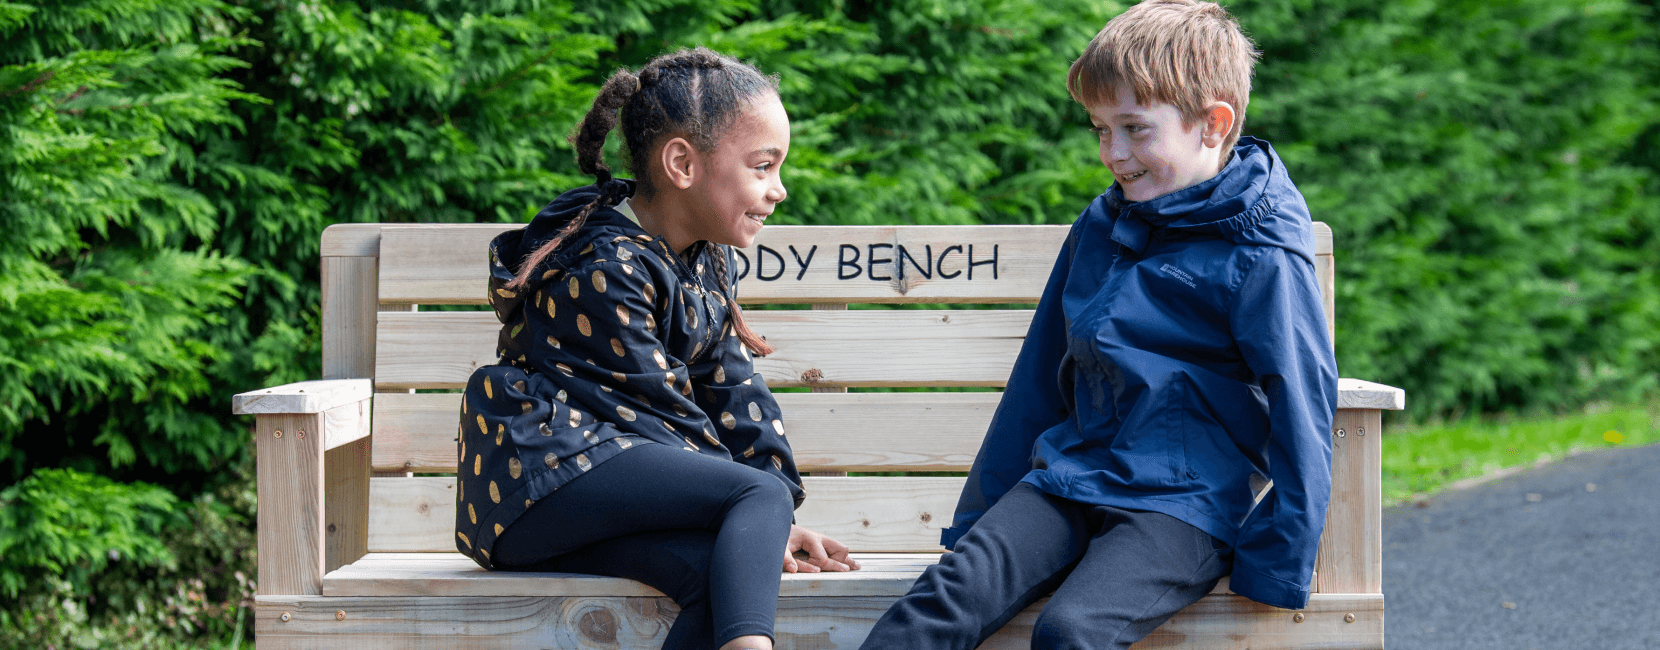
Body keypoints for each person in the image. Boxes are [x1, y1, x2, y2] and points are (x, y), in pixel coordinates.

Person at [857, 1, 1339, 648]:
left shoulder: (1260, 247)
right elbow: (1038, 376)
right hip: (1070, 477)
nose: (1114, 153)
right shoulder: (1104, 222)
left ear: (1213, 125)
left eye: (1135, 129)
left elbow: (1302, 398)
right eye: (1100, 129)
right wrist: (979, 523)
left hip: (1182, 502)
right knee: (946, 598)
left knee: (1071, 631)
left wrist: (1277, 558)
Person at [454, 47, 860, 650]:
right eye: (763, 166)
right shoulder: (605, 265)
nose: (779, 189)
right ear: (681, 164)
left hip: (600, 492)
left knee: (712, 575)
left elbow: (735, 392)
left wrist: (770, 524)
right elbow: (659, 415)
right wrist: (761, 509)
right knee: (756, 493)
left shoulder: (704, 260)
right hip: (534, 480)